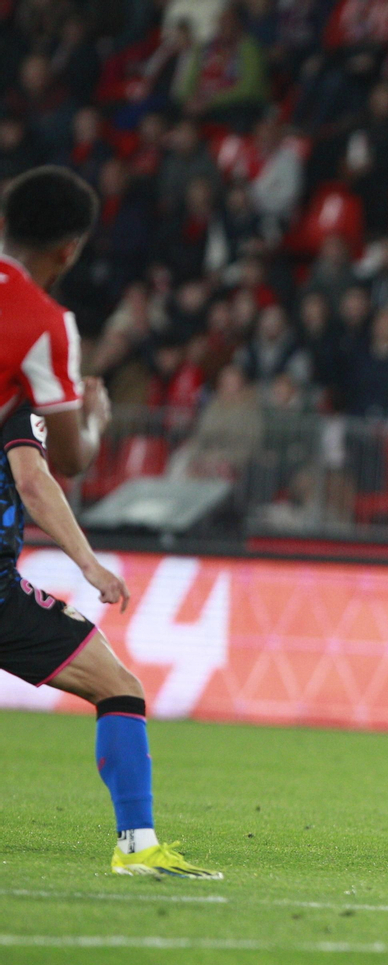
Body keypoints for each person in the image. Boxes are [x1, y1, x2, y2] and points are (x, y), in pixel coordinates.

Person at [0, 165, 219, 877]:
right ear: (69, 250)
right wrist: (89, 419)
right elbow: (56, 466)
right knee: (118, 685)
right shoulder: (40, 326)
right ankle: (138, 847)